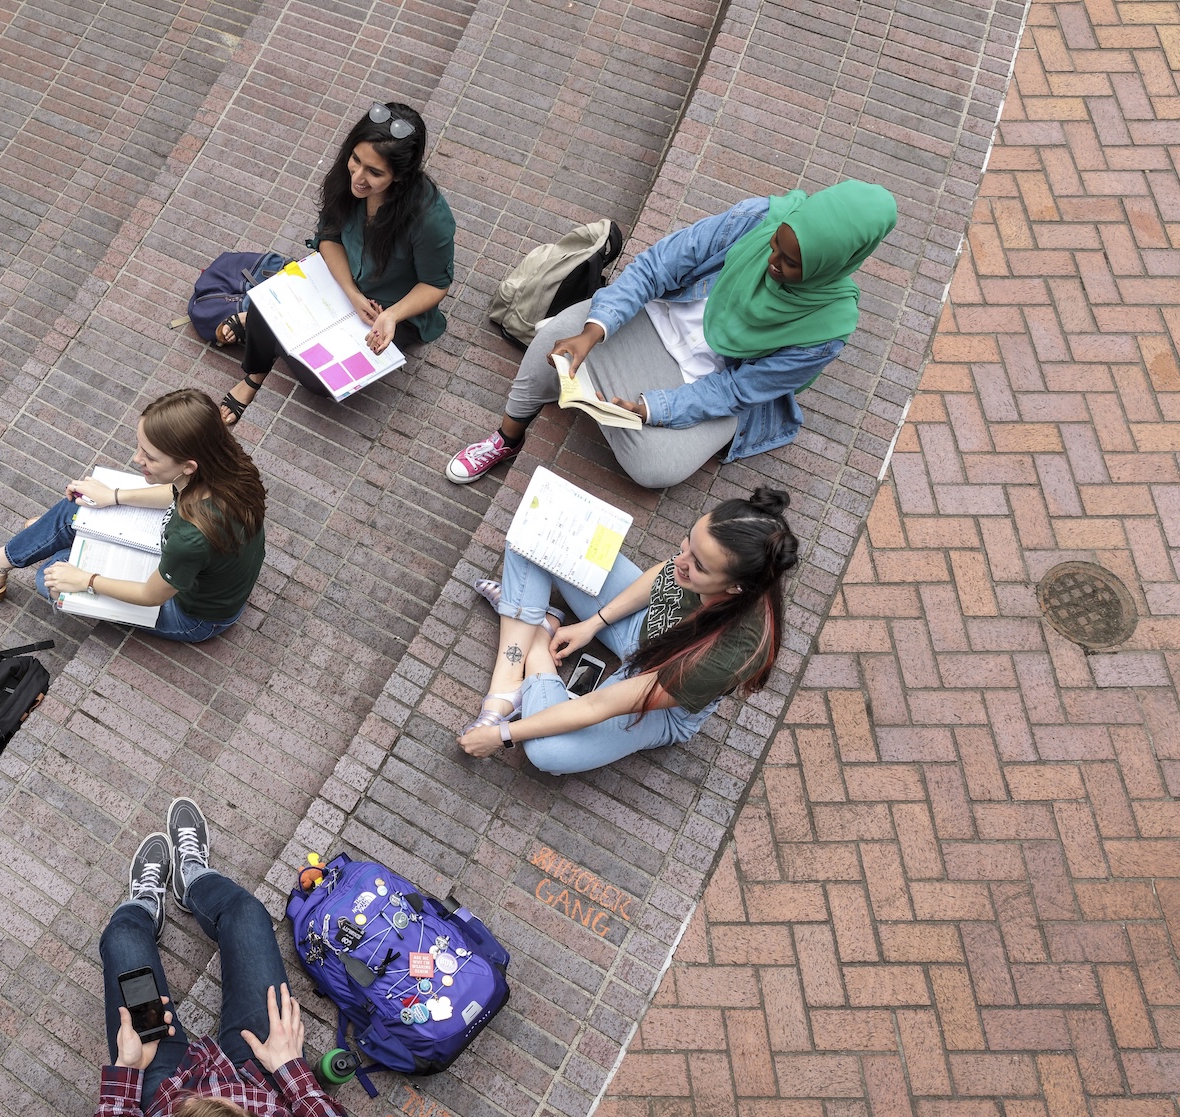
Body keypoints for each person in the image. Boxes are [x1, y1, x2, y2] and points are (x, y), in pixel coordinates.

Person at [75, 798, 384, 1117]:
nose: (217, 1098)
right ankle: (193, 880)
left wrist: (128, 1074)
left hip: (162, 1086)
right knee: (246, 914)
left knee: (122, 942)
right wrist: (291, 1073)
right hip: (260, 1073)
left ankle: (140, 907)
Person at [445, 180, 899, 489]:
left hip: (709, 383)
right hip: (657, 321)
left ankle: (604, 400)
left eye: (791, 263)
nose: (771, 261)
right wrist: (593, 331)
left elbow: (740, 389)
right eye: (776, 245)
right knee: (557, 339)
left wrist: (656, 409)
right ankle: (507, 438)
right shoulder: (758, 218)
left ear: (836, 262)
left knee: (654, 468)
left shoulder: (828, 330)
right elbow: (658, 266)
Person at [458, 488, 799, 773]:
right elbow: (664, 575)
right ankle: (509, 682)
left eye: (698, 565)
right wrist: (593, 625)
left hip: (659, 699)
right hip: (643, 628)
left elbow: (599, 705)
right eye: (688, 544)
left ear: (736, 587)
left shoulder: (727, 655)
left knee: (548, 752)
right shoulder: (701, 559)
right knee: (537, 526)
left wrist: (502, 735)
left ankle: (533, 633)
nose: (680, 561)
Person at [0, 390, 267, 644]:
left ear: (188, 465)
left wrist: (87, 581)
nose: (136, 458)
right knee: (77, 510)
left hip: (194, 615)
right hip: (192, 570)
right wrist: (114, 496)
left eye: (149, 457)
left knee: (49, 578)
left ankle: (28, 551)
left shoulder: (191, 538)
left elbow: (151, 596)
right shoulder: (226, 468)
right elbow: (176, 491)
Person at [216, 102, 455, 426]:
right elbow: (328, 237)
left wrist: (392, 316)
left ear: (400, 176)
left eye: (374, 173)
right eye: (355, 160)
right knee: (266, 301)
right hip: (342, 284)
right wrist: (351, 293)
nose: (358, 177)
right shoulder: (346, 179)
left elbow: (435, 284)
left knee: (318, 381)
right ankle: (255, 375)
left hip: (389, 310)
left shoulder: (430, 219)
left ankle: (263, 328)